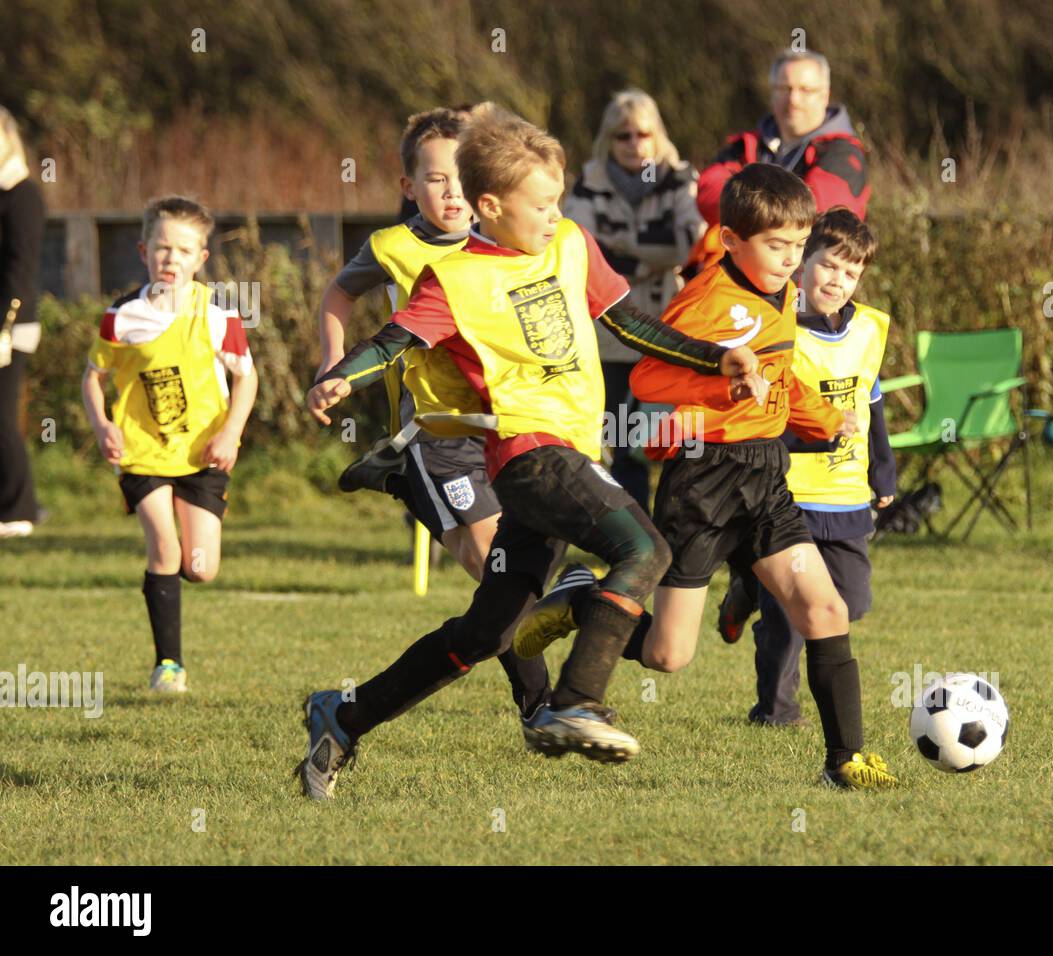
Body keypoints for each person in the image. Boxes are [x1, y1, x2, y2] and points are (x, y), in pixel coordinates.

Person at [296, 103, 757, 800]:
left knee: (487, 631)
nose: (553, 213)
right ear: (489, 205)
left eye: (557, 200)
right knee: (645, 551)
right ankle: (575, 701)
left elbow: (630, 324)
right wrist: (337, 379)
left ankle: (344, 718)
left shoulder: (570, 242)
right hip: (528, 453)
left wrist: (714, 358)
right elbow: (390, 341)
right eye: (539, 203)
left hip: (565, 453)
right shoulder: (454, 280)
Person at [516, 165, 899, 790]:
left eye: (799, 247)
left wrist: (824, 417)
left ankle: (845, 761)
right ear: (730, 241)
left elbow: (779, 373)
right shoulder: (708, 301)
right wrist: (722, 374)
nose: (791, 260)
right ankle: (583, 600)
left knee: (825, 607)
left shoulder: (786, 293)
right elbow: (647, 381)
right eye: (777, 246)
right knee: (670, 655)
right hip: (705, 484)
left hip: (767, 477)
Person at [316, 108, 552, 725]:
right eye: (435, 179)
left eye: (460, 179)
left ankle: (392, 477)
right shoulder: (392, 247)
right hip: (434, 431)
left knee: (523, 576)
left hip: (506, 427)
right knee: (490, 562)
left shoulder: (509, 244)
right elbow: (339, 293)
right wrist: (332, 364)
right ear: (408, 187)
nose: (451, 193)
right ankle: (542, 707)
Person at [81, 197, 258, 692]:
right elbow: (92, 378)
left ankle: (170, 592)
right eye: (162, 248)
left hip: (204, 453)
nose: (170, 259)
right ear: (143, 251)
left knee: (199, 568)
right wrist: (102, 426)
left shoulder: (219, 318)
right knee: (163, 547)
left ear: (201, 258)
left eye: (183, 250)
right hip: (142, 451)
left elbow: (247, 379)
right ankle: (169, 667)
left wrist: (231, 434)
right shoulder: (121, 318)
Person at [737, 208, 896, 726]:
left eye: (851, 274)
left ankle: (747, 590)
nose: (838, 280)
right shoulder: (778, 328)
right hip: (790, 494)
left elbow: (873, 404)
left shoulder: (870, 329)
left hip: (847, 494)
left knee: (851, 602)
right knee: (788, 616)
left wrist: (884, 471)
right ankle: (776, 710)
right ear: (805, 262)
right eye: (830, 266)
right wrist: (811, 434)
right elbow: (763, 415)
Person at [565, 89, 705, 510]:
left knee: (674, 437)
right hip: (607, 332)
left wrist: (623, 247)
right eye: (622, 136)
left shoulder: (680, 178)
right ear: (608, 139)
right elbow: (579, 246)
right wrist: (650, 252)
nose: (633, 144)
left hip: (667, 328)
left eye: (642, 134)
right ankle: (635, 531)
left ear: (657, 134)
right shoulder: (589, 182)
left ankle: (677, 527)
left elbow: (689, 242)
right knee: (619, 438)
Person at [696, 51, 871, 229]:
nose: (793, 100)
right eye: (784, 89)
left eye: (805, 90)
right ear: (772, 93)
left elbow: (819, 215)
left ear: (824, 96)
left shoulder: (844, 153)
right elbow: (708, 193)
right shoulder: (746, 145)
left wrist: (744, 205)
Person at [0, 106, 46, 538]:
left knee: (2, 417)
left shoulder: (24, 195)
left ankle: (20, 509)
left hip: (11, 327)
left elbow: (20, 268)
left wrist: (3, 327)